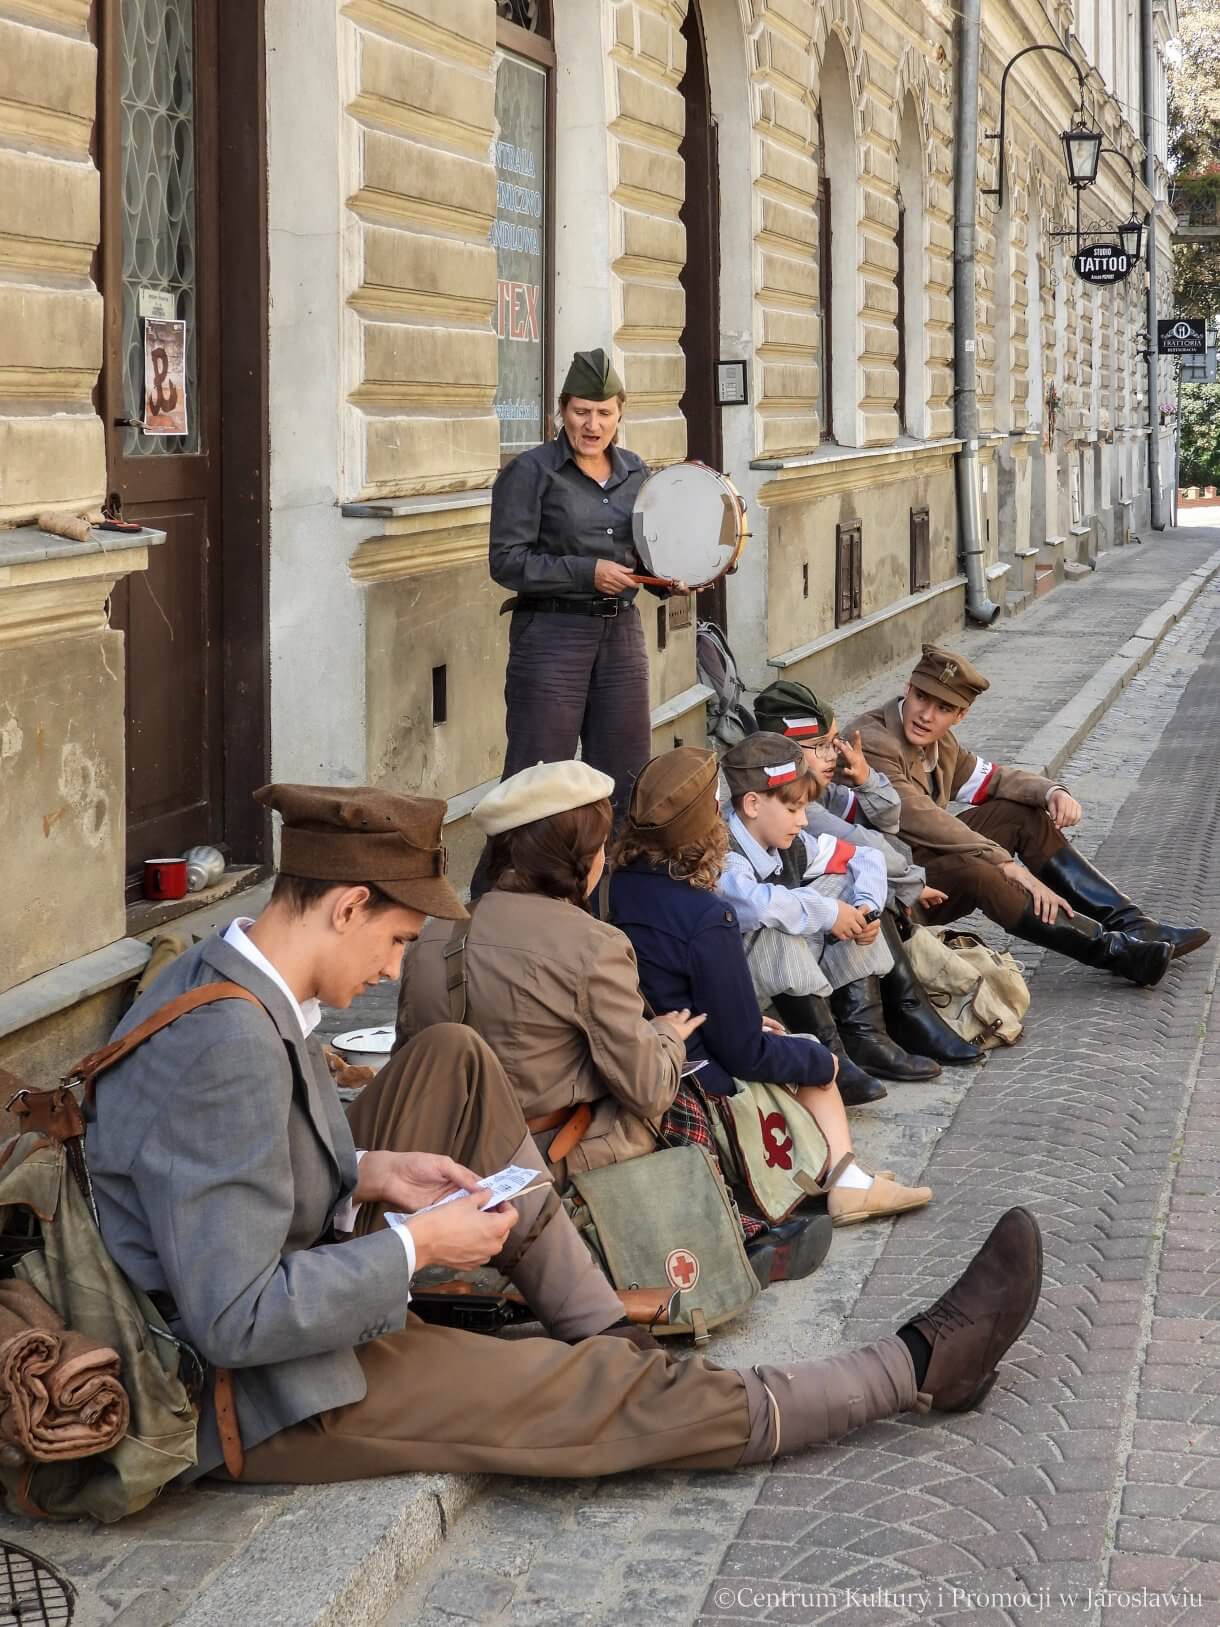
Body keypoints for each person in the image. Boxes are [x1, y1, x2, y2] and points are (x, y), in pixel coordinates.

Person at [84, 781, 1043, 1486]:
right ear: (345, 906)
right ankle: (912, 1366)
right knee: (583, 1398)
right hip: (261, 1395)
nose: (389, 970)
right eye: (397, 940)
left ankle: (598, 1332)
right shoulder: (228, 1045)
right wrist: (424, 1242)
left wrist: (366, 1169)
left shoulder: (220, 970)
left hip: (274, 1280)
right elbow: (234, 1316)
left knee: (454, 1052)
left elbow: (232, 1166)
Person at [397, 761, 829, 1285]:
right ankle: (733, 1235)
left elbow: (412, 1060)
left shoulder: (431, 935)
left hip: (443, 1155)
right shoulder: (592, 943)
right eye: (600, 844)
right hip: (543, 1159)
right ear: (581, 857)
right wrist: (667, 1035)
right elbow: (647, 1089)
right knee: (682, 1093)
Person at [608, 748, 933, 1227]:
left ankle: (841, 1173)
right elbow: (744, 1052)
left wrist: (740, 1019)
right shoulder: (707, 915)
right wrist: (821, 1060)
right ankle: (848, 1185)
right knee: (811, 1059)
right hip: (701, 1080)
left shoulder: (623, 882)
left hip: (667, 1047)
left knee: (784, 1042)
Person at [849, 645, 1210, 986]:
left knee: (1021, 813)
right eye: (922, 698)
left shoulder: (941, 744)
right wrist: (1006, 863)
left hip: (917, 865)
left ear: (961, 715)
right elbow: (918, 816)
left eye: (943, 708)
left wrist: (1051, 791)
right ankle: (1116, 952)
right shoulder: (874, 741)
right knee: (982, 869)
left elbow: (993, 779)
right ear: (907, 689)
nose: (927, 715)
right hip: (887, 890)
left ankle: (1132, 924)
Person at [753, 680, 982, 1070]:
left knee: (867, 882)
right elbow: (860, 844)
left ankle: (887, 1021)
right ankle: (881, 1024)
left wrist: (865, 779)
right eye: (820, 746)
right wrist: (910, 883)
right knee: (859, 880)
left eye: (833, 741)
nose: (832, 755)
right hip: (775, 961)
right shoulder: (781, 800)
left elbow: (889, 820)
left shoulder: (822, 789)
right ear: (784, 751)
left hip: (806, 938)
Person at [487, 347, 661, 830]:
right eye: (581, 411)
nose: (592, 424)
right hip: (551, 635)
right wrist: (587, 572)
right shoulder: (531, 471)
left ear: (620, 413)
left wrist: (672, 579)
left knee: (625, 773)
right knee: (537, 779)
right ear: (561, 412)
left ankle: (607, 895)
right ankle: (505, 895)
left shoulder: (635, 472)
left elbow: (648, 552)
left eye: (604, 412)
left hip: (621, 636)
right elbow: (506, 561)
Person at [717, 732, 940, 1098]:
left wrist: (865, 907)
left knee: (845, 886)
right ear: (753, 804)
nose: (803, 821)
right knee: (779, 917)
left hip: (781, 975)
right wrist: (827, 911)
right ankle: (826, 1053)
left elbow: (865, 858)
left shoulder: (789, 840)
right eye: (793, 810)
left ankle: (864, 1034)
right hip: (739, 993)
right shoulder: (725, 850)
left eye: (805, 809)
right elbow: (755, 905)